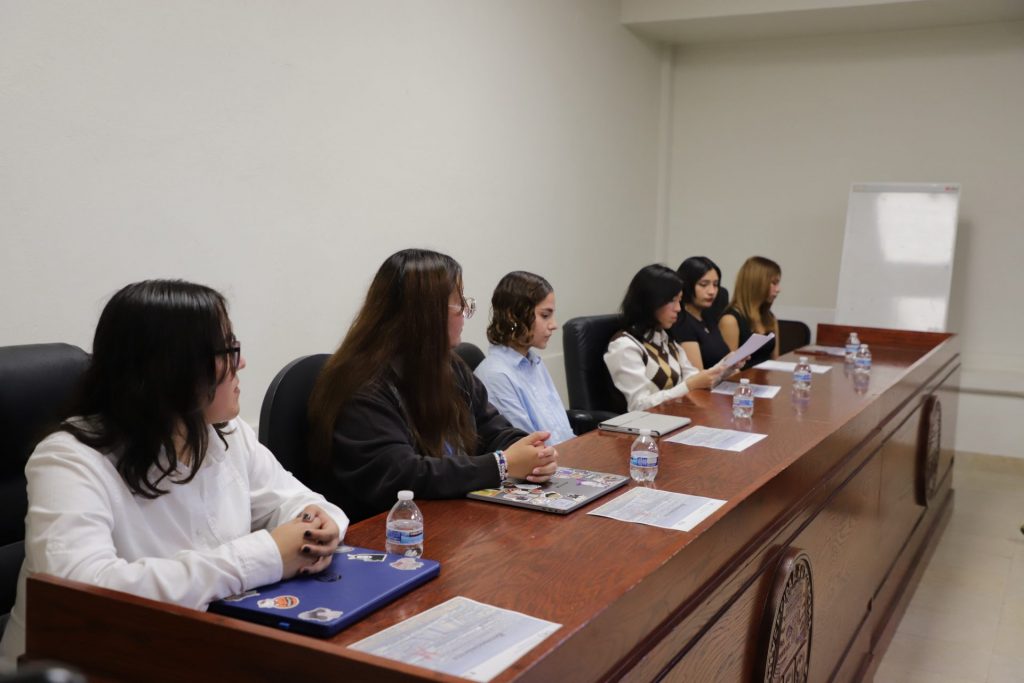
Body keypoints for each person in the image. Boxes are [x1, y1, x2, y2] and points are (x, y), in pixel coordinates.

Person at [0, 280, 347, 669]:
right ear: (173, 369)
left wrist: (316, 529)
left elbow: (298, 501)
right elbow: (84, 593)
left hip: (188, 648)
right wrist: (264, 555)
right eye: (229, 351)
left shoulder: (223, 433)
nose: (242, 364)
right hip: (79, 667)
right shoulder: (68, 459)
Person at [308, 249, 558, 523]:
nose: (465, 313)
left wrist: (531, 452)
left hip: (450, 516)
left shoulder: (449, 366)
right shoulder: (362, 384)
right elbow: (402, 475)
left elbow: (491, 429)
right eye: (459, 304)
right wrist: (502, 465)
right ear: (426, 313)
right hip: (391, 530)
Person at [604, 265, 726, 412]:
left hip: (675, 417)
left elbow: (693, 377)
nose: (678, 308)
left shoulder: (663, 337)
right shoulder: (625, 346)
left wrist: (725, 367)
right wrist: (689, 385)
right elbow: (639, 406)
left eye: (679, 300)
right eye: (672, 301)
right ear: (651, 302)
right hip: (644, 424)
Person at [474, 271, 574, 445]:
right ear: (513, 315)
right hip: (545, 460)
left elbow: (563, 432)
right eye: (545, 315)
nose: (554, 325)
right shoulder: (495, 375)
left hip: (565, 454)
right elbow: (529, 446)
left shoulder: (534, 362)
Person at [719, 256, 782, 368]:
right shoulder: (730, 320)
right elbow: (728, 369)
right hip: (742, 378)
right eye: (774, 283)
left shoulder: (770, 318)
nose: (778, 289)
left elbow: (775, 361)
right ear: (756, 283)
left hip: (766, 377)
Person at [674, 256, 732, 370]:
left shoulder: (709, 315)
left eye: (715, 284)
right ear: (687, 285)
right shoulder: (681, 321)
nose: (712, 291)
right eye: (704, 284)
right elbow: (698, 374)